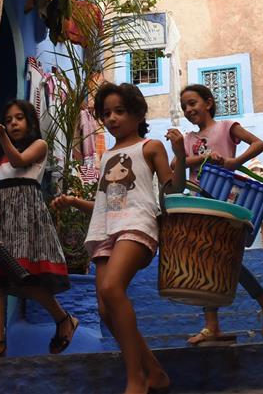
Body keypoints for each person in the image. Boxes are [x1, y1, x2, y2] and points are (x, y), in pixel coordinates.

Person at [54, 82, 185, 394]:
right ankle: (154, 371)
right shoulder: (105, 156)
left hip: (137, 224)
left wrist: (179, 152)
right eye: (107, 113)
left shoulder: (150, 147)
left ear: (138, 113)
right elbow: (109, 201)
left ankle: (135, 379)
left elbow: (172, 190)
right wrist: (74, 202)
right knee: (104, 308)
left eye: (120, 111)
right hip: (104, 229)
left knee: (112, 289)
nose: (112, 118)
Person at [178, 84, 263, 346]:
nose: (188, 109)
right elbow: (178, 165)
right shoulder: (186, 140)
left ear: (208, 103)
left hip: (223, 203)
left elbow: (258, 144)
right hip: (198, 205)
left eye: (193, 103)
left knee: (224, 258)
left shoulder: (226, 127)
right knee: (207, 262)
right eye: (184, 106)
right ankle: (214, 325)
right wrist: (205, 157)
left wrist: (233, 162)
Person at [0, 99, 77, 360]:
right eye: (8, 119)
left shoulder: (39, 146)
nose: (13, 123)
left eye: (19, 118)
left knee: (23, 276)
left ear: (30, 122)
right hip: (0, 217)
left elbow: (19, 162)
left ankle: (63, 319)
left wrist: (1, 135)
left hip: (25, 216)